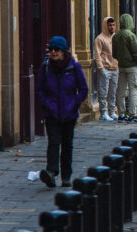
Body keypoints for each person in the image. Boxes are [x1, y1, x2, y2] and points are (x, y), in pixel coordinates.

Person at [36, 35, 88, 189]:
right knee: (53, 142)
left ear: (64, 51)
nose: (53, 52)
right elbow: (39, 88)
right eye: (51, 49)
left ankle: (66, 176)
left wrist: (75, 103)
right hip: (52, 112)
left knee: (67, 145)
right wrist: (45, 103)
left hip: (69, 113)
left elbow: (83, 89)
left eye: (56, 49)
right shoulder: (46, 67)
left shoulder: (73, 67)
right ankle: (51, 172)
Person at [110, 12, 137, 122]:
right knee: (134, 90)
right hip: (132, 66)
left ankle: (121, 114)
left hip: (121, 66)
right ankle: (132, 114)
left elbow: (114, 54)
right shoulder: (131, 35)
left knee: (121, 91)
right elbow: (136, 52)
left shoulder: (116, 36)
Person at [93, 17, 119, 121]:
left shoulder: (116, 37)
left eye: (113, 25)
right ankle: (103, 113)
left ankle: (112, 112)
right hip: (105, 69)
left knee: (113, 93)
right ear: (105, 26)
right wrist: (101, 68)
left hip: (115, 68)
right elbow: (97, 54)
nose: (112, 27)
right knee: (103, 92)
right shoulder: (100, 39)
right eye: (110, 25)